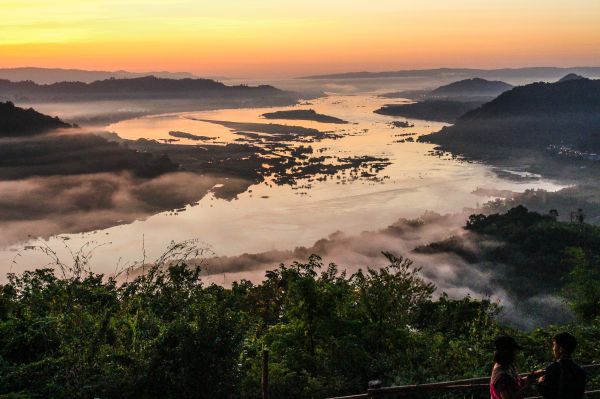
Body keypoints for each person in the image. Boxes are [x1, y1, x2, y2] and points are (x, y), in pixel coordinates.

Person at [534, 332, 587, 399]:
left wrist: (540, 382)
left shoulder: (552, 368)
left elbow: (547, 393)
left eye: (554, 345)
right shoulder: (580, 371)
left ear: (561, 349)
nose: (553, 349)